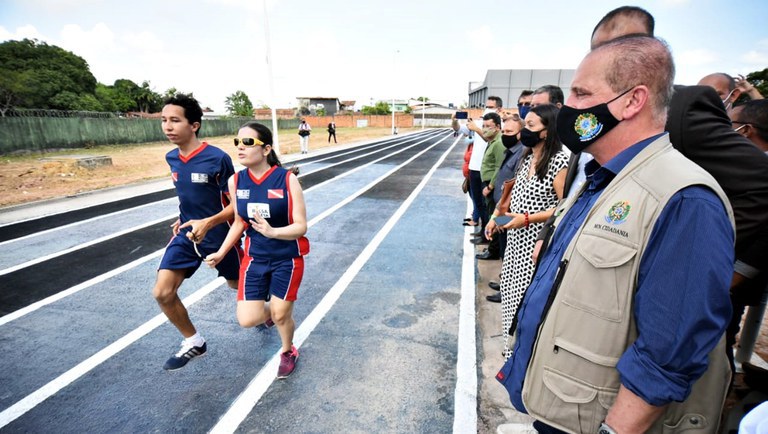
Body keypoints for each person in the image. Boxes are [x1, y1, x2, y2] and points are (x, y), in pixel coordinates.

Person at [497, 36, 735, 434]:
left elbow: (669, 350)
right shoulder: (604, 178)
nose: (569, 107)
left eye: (581, 93)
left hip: (597, 422)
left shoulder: (684, 200)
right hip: (560, 405)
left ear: (632, 101)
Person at [205, 121, 309, 379]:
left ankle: (288, 350)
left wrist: (274, 232)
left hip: (287, 259)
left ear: (266, 149)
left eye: (248, 142)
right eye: (237, 142)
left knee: (281, 315)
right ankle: (276, 310)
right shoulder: (236, 181)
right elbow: (239, 221)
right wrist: (221, 251)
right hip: (255, 259)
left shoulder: (287, 179)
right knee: (248, 319)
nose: (240, 147)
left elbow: (301, 226)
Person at [154, 93, 242, 371]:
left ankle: (265, 313)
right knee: (162, 292)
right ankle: (194, 341)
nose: (168, 126)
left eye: (175, 120)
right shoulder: (172, 157)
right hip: (187, 234)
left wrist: (208, 222)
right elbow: (189, 195)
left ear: (194, 125)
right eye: (164, 120)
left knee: (238, 287)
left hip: (220, 235)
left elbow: (236, 207)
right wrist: (185, 217)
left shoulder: (217, 159)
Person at [489, 104, 567, 356]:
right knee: (509, 297)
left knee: (525, 305)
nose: (525, 132)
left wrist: (527, 219)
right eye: (526, 125)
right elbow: (515, 198)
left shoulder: (558, 162)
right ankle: (509, 352)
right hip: (514, 243)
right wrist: (496, 218)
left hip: (534, 246)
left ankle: (521, 357)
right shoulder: (527, 157)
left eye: (531, 126)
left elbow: (564, 207)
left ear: (547, 131)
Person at [472, 111, 504, 252]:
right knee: (491, 214)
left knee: (494, 216)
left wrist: (490, 186)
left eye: (488, 126)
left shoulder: (498, 143)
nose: (485, 129)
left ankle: (493, 249)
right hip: (489, 184)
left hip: (493, 186)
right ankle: (491, 245)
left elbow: (499, 167)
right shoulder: (492, 141)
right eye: (483, 126)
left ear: (497, 127)